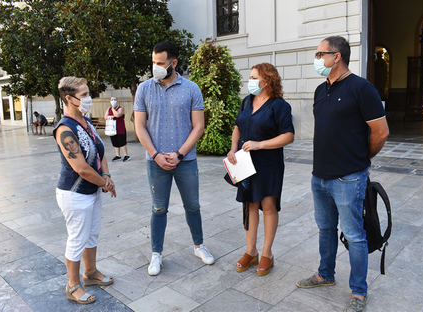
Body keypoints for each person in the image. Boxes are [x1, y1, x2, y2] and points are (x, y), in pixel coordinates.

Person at [295, 36, 389, 312]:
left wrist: (362, 159)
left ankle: (359, 292)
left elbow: (381, 132)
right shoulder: (319, 90)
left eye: (320, 54)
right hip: (319, 176)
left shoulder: (362, 89)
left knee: (354, 234)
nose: (316, 59)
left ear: (337, 56)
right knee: (325, 229)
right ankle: (325, 274)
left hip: (348, 177)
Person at [134, 41, 215, 276]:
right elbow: (139, 127)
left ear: (174, 62)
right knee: (158, 208)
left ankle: (199, 246)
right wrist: (156, 155)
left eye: (160, 63)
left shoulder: (191, 89)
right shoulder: (144, 89)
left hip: (185, 161)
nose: (156, 67)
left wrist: (179, 154)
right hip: (156, 162)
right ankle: (156, 254)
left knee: (193, 205)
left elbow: (198, 127)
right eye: (153, 63)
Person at [227, 63, 294, 276]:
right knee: (250, 205)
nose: (250, 80)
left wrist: (259, 144)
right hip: (246, 162)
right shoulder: (246, 101)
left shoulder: (279, 106)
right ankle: (251, 251)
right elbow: (237, 127)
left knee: (268, 204)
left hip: (269, 163)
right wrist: (232, 149)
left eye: (254, 77)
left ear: (266, 81)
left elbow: (288, 135)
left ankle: (267, 254)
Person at [54, 76, 117, 304]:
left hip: (94, 190)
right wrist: (105, 183)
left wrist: (106, 176)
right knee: (77, 238)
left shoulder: (86, 122)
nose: (89, 98)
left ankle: (90, 273)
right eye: (84, 95)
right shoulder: (65, 129)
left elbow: (100, 152)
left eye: (88, 93)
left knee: (92, 233)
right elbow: (80, 167)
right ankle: (72, 286)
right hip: (74, 193)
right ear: (69, 99)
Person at [104, 96, 130, 162]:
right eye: (112, 100)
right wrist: (109, 116)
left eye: (114, 99)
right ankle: (118, 155)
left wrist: (113, 109)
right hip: (112, 129)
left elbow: (117, 115)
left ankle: (126, 155)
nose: (113, 101)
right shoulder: (108, 109)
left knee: (122, 142)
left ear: (117, 101)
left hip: (120, 128)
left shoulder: (120, 108)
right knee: (115, 142)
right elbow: (105, 117)